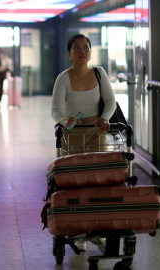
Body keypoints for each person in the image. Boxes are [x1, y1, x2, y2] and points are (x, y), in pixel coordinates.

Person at [50, 33, 116, 251]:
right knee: (76, 181)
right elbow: (56, 110)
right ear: (69, 54)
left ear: (90, 51)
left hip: (96, 130)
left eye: (86, 47)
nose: (82, 52)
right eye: (76, 48)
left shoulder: (99, 73)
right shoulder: (63, 78)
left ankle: (98, 228)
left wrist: (105, 118)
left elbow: (110, 101)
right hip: (72, 133)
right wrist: (64, 121)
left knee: (98, 179)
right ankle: (78, 231)